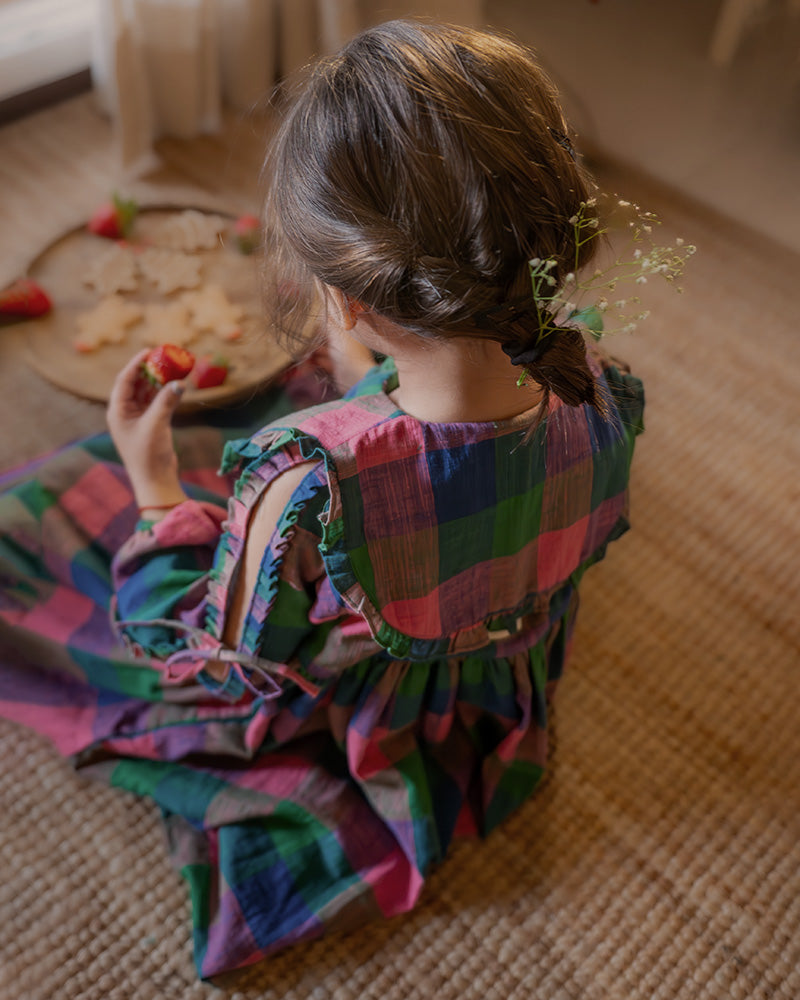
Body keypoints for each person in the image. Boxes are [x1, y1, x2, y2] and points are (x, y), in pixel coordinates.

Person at [0, 20, 644, 978]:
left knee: (35, 512)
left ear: (346, 299)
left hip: (368, 716)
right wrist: (367, 375)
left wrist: (156, 486)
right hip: (489, 683)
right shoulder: (603, 384)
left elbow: (230, 655)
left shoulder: (305, 475)